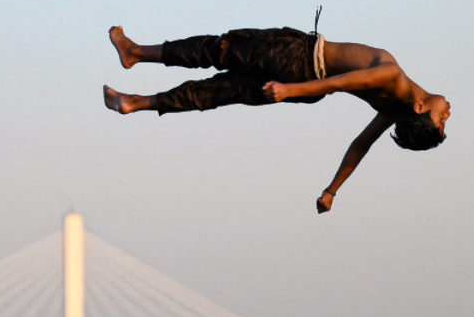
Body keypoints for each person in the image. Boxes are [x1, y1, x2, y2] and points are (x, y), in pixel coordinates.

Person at [103, 20, 450, 213]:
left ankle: (135, 52)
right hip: (304, 83)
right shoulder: (391, 109)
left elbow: (339, 82)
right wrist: (331, 191)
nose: (447, 113)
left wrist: (289, 90)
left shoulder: (392, 77)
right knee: (222, 91)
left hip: (296, 59)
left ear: (420, 108)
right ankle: (137, 102)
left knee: (220, 49)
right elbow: (360, 145)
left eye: (441, 119)